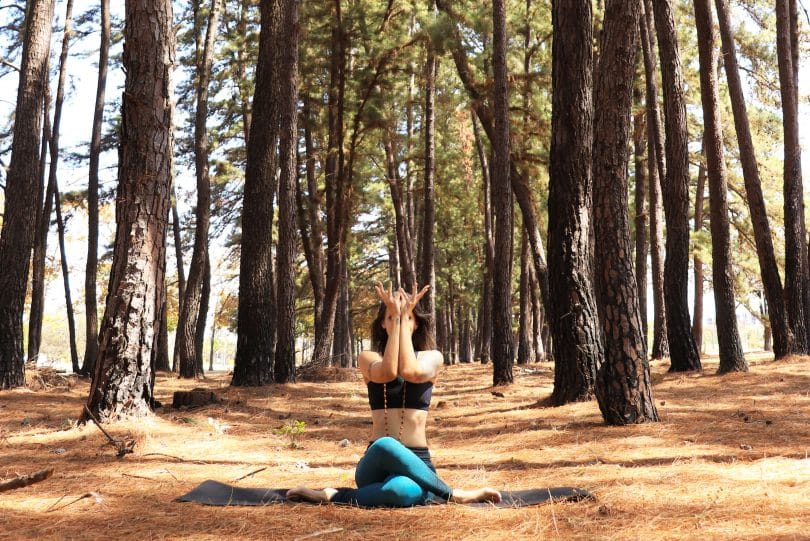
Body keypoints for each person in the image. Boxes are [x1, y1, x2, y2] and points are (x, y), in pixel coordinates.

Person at [287, 283, 502, 507]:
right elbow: (388, 373)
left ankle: (333, 495)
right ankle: (453, 494)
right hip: (375, 463)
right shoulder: (369, 358)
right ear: (383, 323)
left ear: (417, 323)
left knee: (399, 493)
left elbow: (412, 372)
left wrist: (399, 317)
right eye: (391, 316)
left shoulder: (432, 357)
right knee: (385, 444)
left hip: (418, 464)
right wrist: (400, 319)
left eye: (408, 317)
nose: (399, 320)